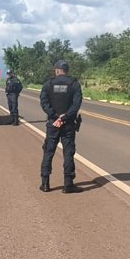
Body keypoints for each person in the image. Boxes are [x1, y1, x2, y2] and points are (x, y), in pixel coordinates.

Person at [39, 59, 83, 193]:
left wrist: (55, 116)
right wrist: (65, 116)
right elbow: (76, 104)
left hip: (53, 123)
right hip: (68, 123)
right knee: (68, 152)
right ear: (66, 71)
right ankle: (68, 185)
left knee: (48, 151)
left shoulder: (49, 84)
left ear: (57, 70)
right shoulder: (74, 84)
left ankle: (45, 184)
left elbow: (44, 102)